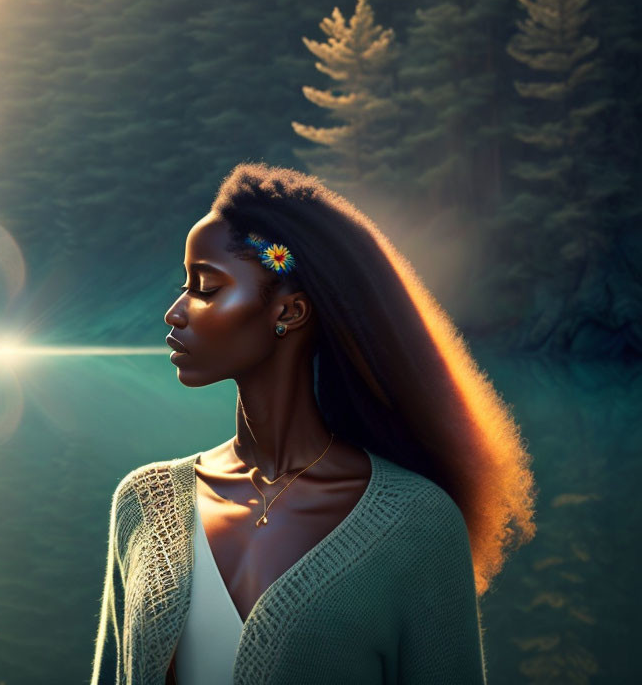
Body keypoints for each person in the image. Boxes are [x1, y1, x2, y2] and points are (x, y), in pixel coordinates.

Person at [90, 163, 537, 685]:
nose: (174, 311)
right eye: (184, 283)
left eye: (206, 287)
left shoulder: (419, 525)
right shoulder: (144, 504)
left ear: (291, 312)